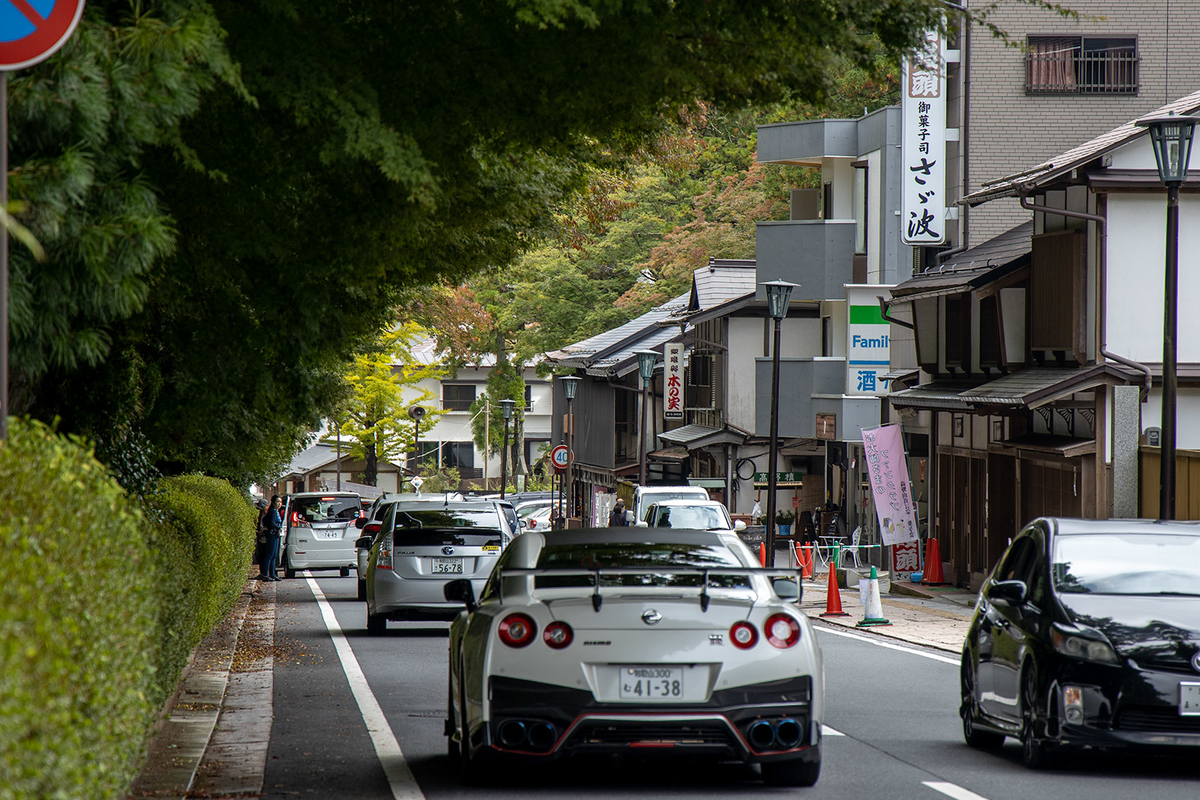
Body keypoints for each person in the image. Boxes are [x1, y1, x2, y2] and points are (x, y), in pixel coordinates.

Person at [260, 495, 283, 581]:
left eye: (280, 502)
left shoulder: (275, 511)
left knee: (273, 555)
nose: (279, 504)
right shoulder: (273, 511)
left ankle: (272, 573)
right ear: (273, 502)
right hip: (272, 534)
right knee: (269, 555)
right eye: (277, 502)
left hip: (274, 534)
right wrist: (278, 528)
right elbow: (272, 523)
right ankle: (266, 574)